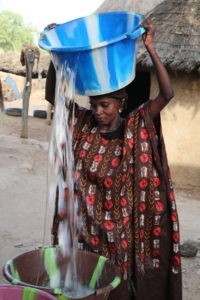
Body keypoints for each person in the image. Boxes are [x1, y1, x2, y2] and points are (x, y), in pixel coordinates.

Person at [45, 18, 182, 300]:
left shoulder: (134, 127)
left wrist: (151, 48)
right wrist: (55, 53)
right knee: (83, 290)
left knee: (116, 290)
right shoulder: (83, 127)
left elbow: (167, 94)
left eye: (105, 105)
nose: (97, 111)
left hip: (119, 239)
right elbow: (53, 95)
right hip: (83, 233)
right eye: (94, 105)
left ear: (121, 102)